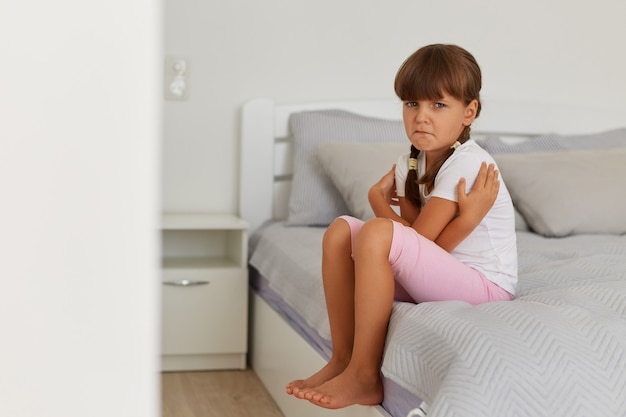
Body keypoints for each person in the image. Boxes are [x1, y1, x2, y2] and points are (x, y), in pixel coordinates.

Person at [286, 44, 518, 410]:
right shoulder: (411, 161)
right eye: (412, 104)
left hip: (485, 286)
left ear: (469, 112)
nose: (421, 117)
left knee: (377, 230)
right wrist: (388, 213)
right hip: (445, 273)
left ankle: (364, 375)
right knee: (342, 231)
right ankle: (342, 360)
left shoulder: (468, 163)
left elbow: (419, 241)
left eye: (438, 105)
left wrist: (379, 201)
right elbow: (413, 244)